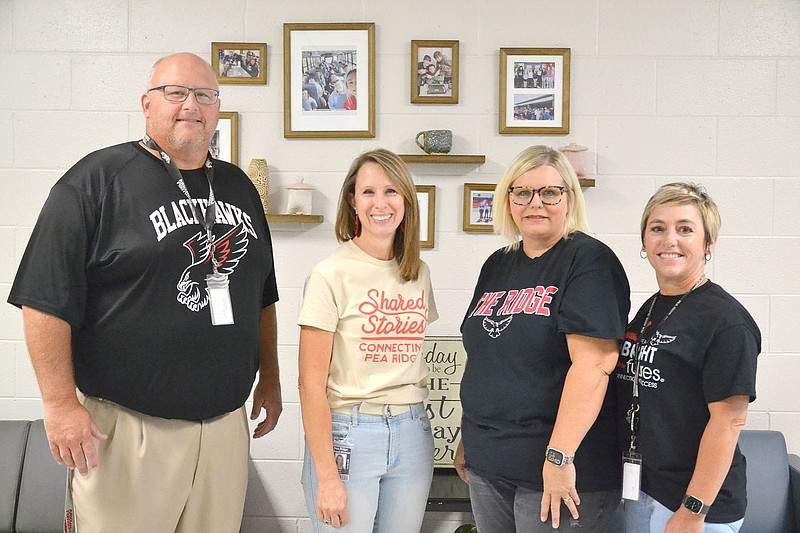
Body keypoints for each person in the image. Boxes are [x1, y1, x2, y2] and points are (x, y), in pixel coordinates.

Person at [6, 52, 283, 533]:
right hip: (126, 432)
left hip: (223, 430)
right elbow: (44, 299)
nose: (190, 105)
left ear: (217, 108)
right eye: (175, 93)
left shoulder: (238, 187)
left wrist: (272, 379)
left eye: (205, 95)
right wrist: (58, 404)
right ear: (147, 103)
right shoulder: (95, 180)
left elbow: (261, 295)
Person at [455, 145, 630, 532]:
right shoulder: (498, 263)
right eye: (523, 192)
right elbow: (483, 354)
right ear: (508, 200)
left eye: (550, 192)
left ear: (569, 198)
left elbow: (595, 364)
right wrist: (468, 435)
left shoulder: (589, 262)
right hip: (488, 463)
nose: (536, 203)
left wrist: (559, 457)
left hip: (555, 471)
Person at [298, 149, 438, 532]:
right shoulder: (330, 274)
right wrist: (327, 477)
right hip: (349, 433)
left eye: (392, 191)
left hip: (412, 431)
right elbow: (310, 385)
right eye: (369, 192)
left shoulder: (418, 272)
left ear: (407, 201)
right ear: (352, 201)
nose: (381, 203)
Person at [615, 183, 760, 533]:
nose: (670, 240)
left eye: (685, 229)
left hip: (694, 507)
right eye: (658, 228)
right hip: (642, 492)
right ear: (644, 241)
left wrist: (693, 511)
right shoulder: (650, 309)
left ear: (708, 243)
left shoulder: (726, 322)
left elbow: (728, 423)